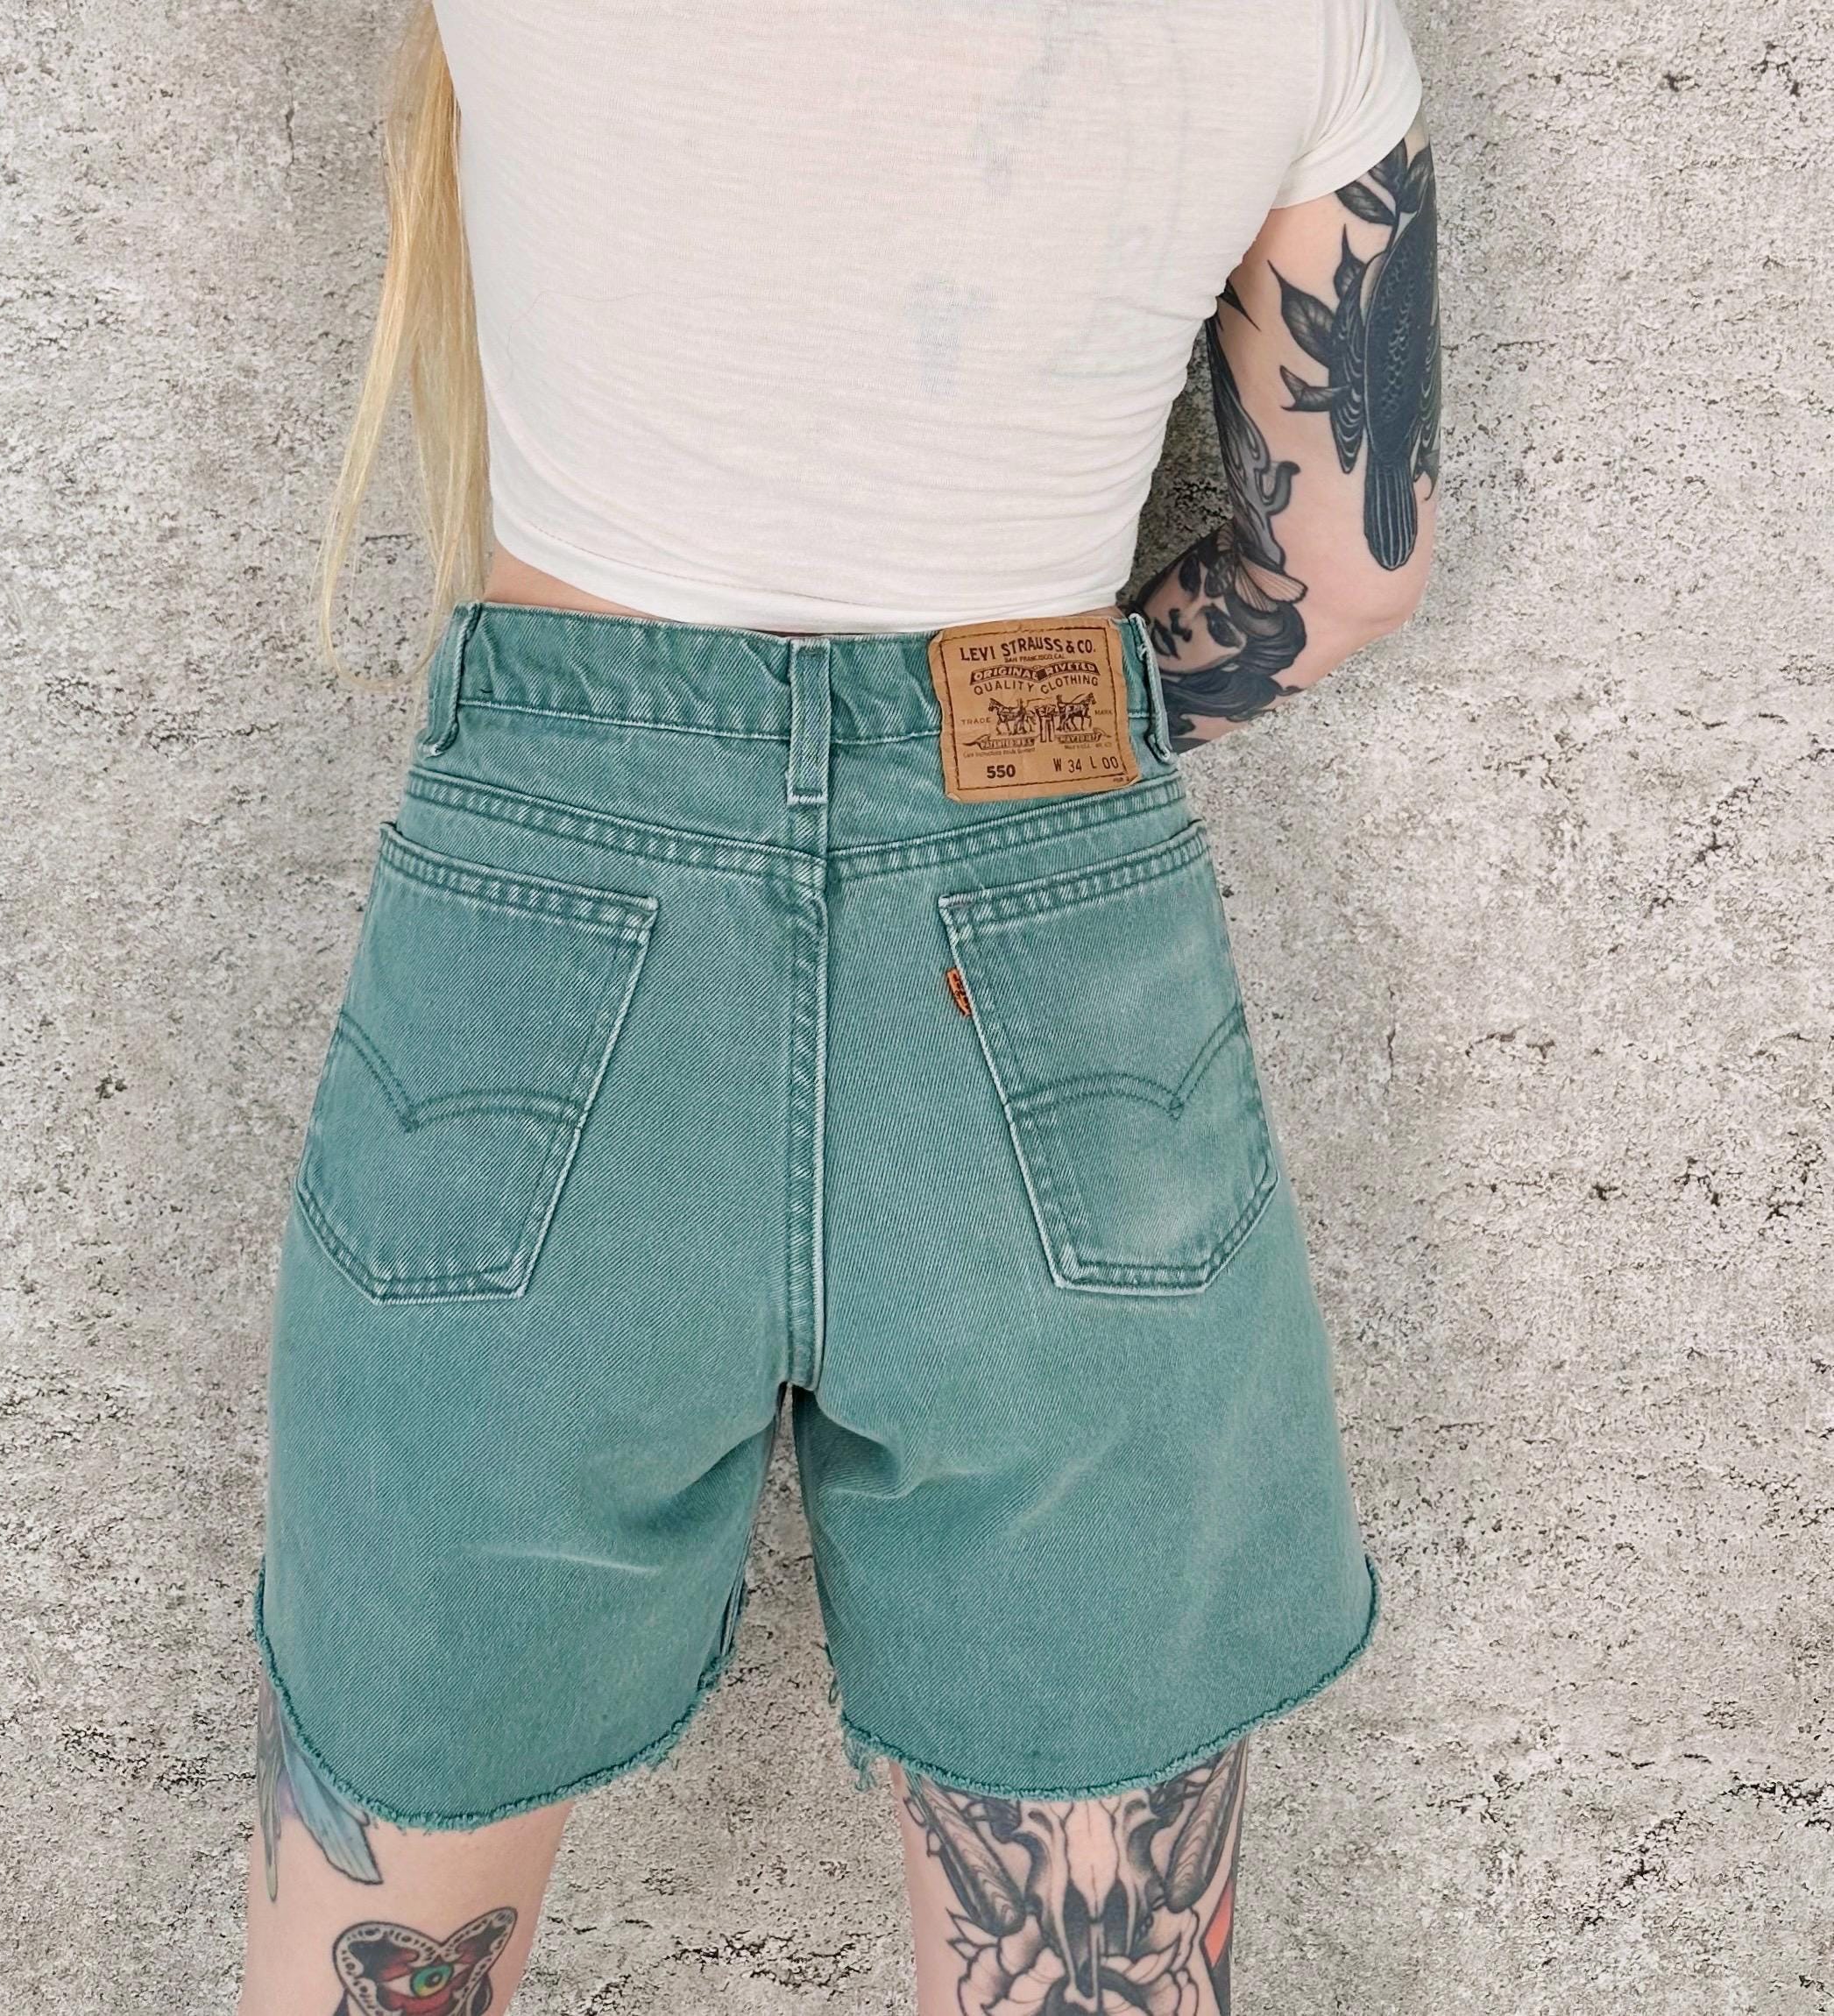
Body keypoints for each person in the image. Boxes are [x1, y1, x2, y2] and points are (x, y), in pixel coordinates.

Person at [239, 0, 1440, 2007]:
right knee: (1091, 1940)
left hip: (551, 923)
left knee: (378, 1905)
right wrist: (1004, 751)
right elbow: (1346, 564)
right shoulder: (1298, 24)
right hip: (1041, 932)